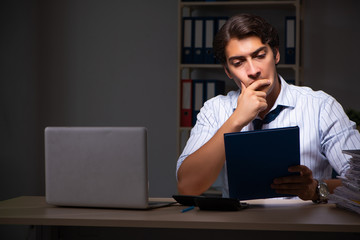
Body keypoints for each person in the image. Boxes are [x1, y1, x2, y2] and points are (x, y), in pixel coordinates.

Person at [176, 13, 360, 202]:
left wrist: (316, 189)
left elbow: (359, 183)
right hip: (238, 229)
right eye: (238, 63)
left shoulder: (321, 106)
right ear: (228, 71)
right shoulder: (214, 110)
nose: (253, 71)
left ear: (276, 54)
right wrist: (236, 120)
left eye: (260, 56)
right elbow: (188, 186)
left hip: (305, 228)